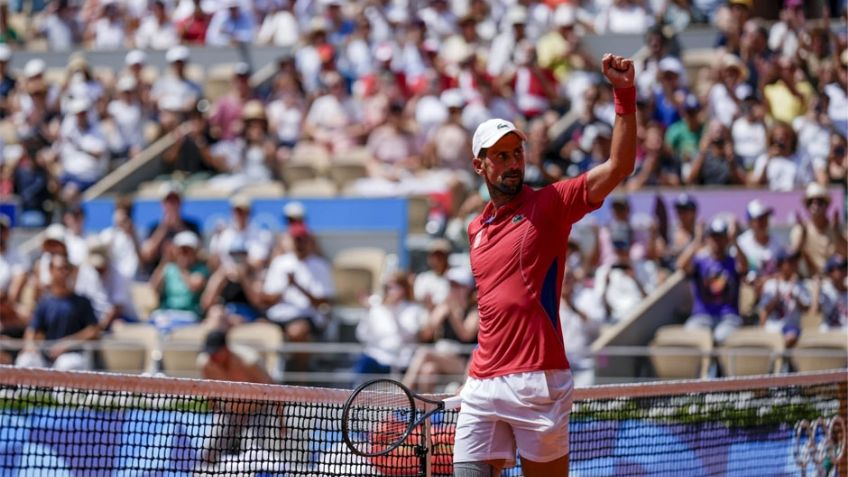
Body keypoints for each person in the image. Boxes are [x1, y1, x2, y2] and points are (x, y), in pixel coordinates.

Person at [453, 54, 636, 477]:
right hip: (482, 381)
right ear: (480, 165)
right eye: (500, 156)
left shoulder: (551, 203)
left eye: (516, 153)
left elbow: (620, 166)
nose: (513, 162)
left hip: (538, 380)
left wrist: (624, 93)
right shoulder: (474, 229)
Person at [199, 329, 283, 467]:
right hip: (229, 411)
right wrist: (215, 411)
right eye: (209, 352)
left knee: (254, 452)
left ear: (225, 349)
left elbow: (274, 390)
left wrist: (281, 421)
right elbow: (210, 391)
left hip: (258, 412)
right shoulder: (205, 363)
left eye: (215, 352)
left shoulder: (249, 361)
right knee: (209, 450)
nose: (212, 357)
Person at [15, 254, 100, 370]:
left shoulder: (82, 302)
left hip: (73, 356)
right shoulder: (44, 302)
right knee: (26, 361)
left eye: (67, 269)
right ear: (51, 271)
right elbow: (32, 329)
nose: (64, 272)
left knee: (66, 364)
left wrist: (68, 343)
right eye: (60, 268)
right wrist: (30, 345)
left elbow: (93, 331)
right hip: (47, 357)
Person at [677, 218, 748, 345]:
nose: (717, 241)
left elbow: (744, 267)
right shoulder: (700, 261)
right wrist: (697, 240)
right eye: (713, 237)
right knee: (690, 335)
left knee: (721, 337)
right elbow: (681, 265)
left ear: (726, 239)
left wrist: (735, 242)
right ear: (708, 239)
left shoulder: (733, 261)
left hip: (728, 317)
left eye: (720, 237)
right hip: (701, 316)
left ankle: (719, 365)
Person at [757, 250, 809, 348]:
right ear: (780, 265)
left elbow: (807, 310)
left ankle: (782, 359)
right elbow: (764, 311)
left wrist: (795, 296)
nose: (794, 264)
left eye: (795, 261)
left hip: (791, 326)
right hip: (773, 326)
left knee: (790, 337)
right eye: (790, 261)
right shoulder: (771, 285)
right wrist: (775, 299)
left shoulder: (801, 285)